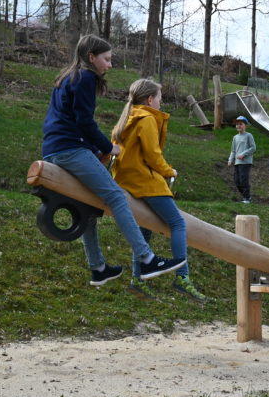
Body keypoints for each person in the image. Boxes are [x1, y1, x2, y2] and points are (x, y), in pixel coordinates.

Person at [41, 35, 184, 286]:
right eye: (106, 59)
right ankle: (147, 258)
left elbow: (70, 120)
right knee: (116, 197)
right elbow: (85, 122)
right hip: (71, 149)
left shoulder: (66, 77)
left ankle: (98, 268)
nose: (109, 65)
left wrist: (96, 149)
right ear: (91, 57)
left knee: (86, 204)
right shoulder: (85, 78)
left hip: (54, 149)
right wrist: (109, 148)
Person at [111, 78, 205, 302]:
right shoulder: (147, 119)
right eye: (160, 99)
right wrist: (169, 171)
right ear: (150, 99)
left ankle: (137, 278)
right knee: (177, 223)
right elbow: (153, 155)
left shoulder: (125, 120)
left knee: (146, 227)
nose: (161, 104)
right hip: (145, 181)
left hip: (125, 181)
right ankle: (182, 277)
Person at [227, 115, 256, 203]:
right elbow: (233, 150)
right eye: (237, 124)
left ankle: (247, 198)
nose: (238, 126)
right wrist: (230, 160)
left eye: (241, 124)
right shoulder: (235, 137)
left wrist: (243, 154)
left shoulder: (249, 136)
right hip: (237, 163)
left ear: (246, 126)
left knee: (244, 180)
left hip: (246, 162)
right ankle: (246, 197)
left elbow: (253, 148)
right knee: (237, 181)